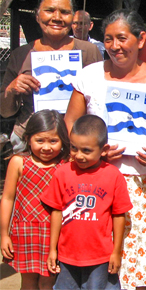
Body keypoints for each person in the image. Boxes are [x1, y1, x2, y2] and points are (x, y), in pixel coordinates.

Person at [64, 9, 146, 290]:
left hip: (142, 180)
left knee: (137, 244)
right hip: (93, 178)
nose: (115, 46)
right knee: (98, 244)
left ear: (140, 39)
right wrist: (93, 154)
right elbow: (71, 123)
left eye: (122, 38)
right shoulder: (90, 75)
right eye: (109, 39)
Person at [0, 0, 103, 154]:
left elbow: (100, 101)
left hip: (77, 145)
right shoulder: (21, 55)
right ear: (37, 15)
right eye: (49, 11)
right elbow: (5, 111)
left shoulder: (89, 51)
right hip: (31, 141)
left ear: (72, 17)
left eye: (64, 12)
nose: (57, 18)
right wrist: (12, 88)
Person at [43, 115, 133, 290]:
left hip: (100, 258)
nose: (78, 155)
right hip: (67, 256)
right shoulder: (62, 173)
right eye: (74, 148)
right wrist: (52, 249)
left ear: (104, 149)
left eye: (86, 150)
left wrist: (116, 252)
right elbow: (56, 211)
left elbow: (118, 215)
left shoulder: (113, 176)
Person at [0, 110, 69, 290]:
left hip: (54, 234)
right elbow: (7, 198)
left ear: (63, 140)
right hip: (24, 233)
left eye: (53, 141)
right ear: (28, 138)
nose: (46, 147)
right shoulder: (18, 162)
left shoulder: (65, 165)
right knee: (28, 282)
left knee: (48, 282)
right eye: (40, 140)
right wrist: (4, 235)